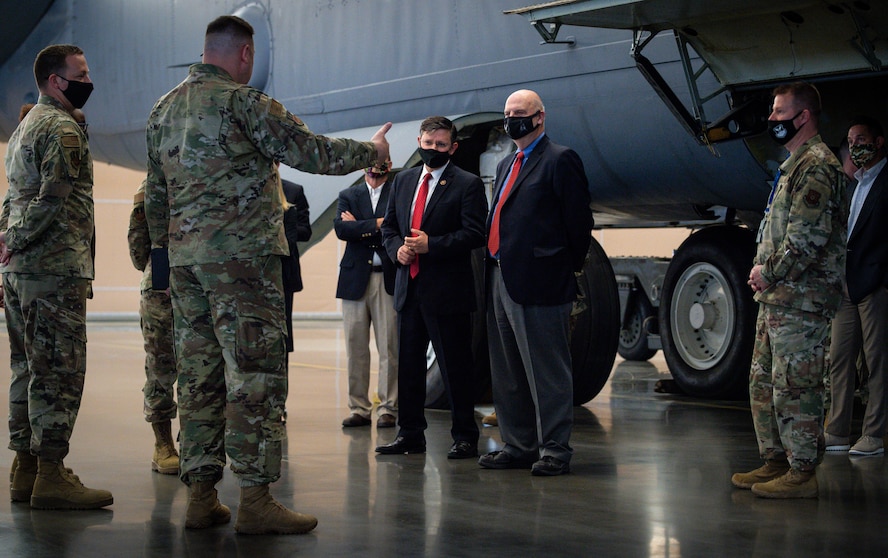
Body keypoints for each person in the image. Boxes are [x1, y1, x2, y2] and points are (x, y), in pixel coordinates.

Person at [142, 15, 390, 535]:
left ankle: (201, 497)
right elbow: (311, 152)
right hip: (243, 266)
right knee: (254, 377)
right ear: (246, 55)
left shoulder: (163, 109)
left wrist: (163, 261)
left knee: (200, 379)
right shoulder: (245, 103)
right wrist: (373, 152)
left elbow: (156, 197)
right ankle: (255, 499)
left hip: (187, 268)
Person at [0, 44, 113, 509]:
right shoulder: (62, 128)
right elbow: (52, 198)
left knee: (26, 366)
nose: (88, 82)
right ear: (55, 81)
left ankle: (24, 469)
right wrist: (17, 239)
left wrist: (7, 243)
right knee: (58, 370)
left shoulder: (23, 126)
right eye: (80, 74)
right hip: (51, 268)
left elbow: (14, 197)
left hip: (21, 270)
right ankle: (51, 474)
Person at [732, 82, 847, 498]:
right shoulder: (794, 165)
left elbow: (805, 241)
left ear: (803, 117)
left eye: (779, 113)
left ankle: (802, 472)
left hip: (801, 299)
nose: (771, 120)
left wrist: (770, 272)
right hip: (778, 298)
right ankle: (775, 460)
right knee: (764, 383)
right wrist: (764, 274)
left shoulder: (817, 167)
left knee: (797, 386)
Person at [478, 89, 593, 477]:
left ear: (540, 117)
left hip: (541, 281)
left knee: (547, 372)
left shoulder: (560, 160)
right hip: (501, 276)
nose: (513, 119)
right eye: (508, 113)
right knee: (508, 371)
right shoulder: (506, 162)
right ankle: (519, 444)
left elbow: (579, 225)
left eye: (521, 113)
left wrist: (560, 267)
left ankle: (555, 450)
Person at [376, 116, 487, 459]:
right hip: (409, 289)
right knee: (408, 367)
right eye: (428, 144)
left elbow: (475, 233)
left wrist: (432, 245)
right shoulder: (404, 180)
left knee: (455, 368)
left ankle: (465, 436)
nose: (434, 150)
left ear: (453, 148)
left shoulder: (466, 184)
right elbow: (389, 228)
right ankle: (410, 434)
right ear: (419, 143)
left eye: (441, 145)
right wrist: (397, 250)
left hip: (447, 292)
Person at [823, 116, 888, 456]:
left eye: (861, 139)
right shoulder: (855, 184)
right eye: (850, 141)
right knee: (839, 359)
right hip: (847, 284)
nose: (854, 147)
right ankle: (836, 432)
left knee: (877, 362)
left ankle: (874, 435)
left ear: (879, 142)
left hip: (875, 284)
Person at [334, 161, 399, 429]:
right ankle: (359, 407)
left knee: (389, 347)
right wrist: (378, 224)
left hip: (387, 277)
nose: (375, 169)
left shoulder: (397, 191)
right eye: (370, 163)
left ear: (389, 165)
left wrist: (360, 225)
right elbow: (341, 230)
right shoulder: (348, 195)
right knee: (356, 348)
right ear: (362, 166)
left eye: (381, 163)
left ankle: (388, 407)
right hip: (354, 280)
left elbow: (398, 227)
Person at [127, 183, 179, 475]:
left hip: (190, 278)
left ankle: (193, 443)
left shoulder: (150, 184)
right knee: (163, 365)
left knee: (199, 366)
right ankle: (164, 445)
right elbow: (138, 248)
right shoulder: (150, 187)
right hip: (167, 282)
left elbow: (137, 250)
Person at [279, 172, 311, 426]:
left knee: (281, 340)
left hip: (282, 275)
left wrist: (282, 223)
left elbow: (305, 230)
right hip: (248, 276)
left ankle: (279, 402)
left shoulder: (293, 190)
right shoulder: (242, 184)